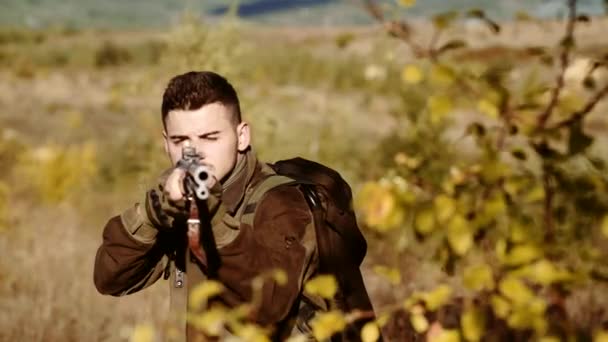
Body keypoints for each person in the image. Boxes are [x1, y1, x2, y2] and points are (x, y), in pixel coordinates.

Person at [93, 71, 375, 341]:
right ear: (166, 144)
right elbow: (110, 279)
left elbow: (268, 311)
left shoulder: (282, 203)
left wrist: (211, 215)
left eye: (210, 137)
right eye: (181, 141)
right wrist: (150, 215)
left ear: (242, 136)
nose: (194, 153)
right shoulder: (178, 202)